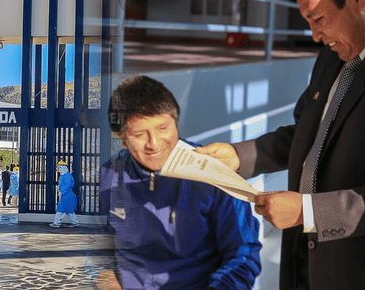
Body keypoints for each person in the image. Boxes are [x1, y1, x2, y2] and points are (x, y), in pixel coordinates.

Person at [197, 0, 365, 289]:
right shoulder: (333, 57)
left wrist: (308, 212)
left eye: (318, 19)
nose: (315, 35)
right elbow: (305, 136)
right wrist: (238, 156)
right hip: (307, 263)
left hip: (360, 273)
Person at [99, 75, 261, 290]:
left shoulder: (215, 175)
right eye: (139, 134)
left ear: (176, 123)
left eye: (163, 128)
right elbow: (91, 244)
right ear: (122, 139)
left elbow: (244, 254)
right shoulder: (109, 175)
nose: (154, 144)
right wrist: (103, 277)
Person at [49, 160, 80, 228]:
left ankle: (57, 223)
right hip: (67, 195)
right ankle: (75, 222)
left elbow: (67, 185)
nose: (58, 168)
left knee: (60, 209)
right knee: (70, 210)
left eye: (60, 167)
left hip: (66, 195)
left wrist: (61, 191)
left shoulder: (66, 176)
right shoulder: (65, 175)